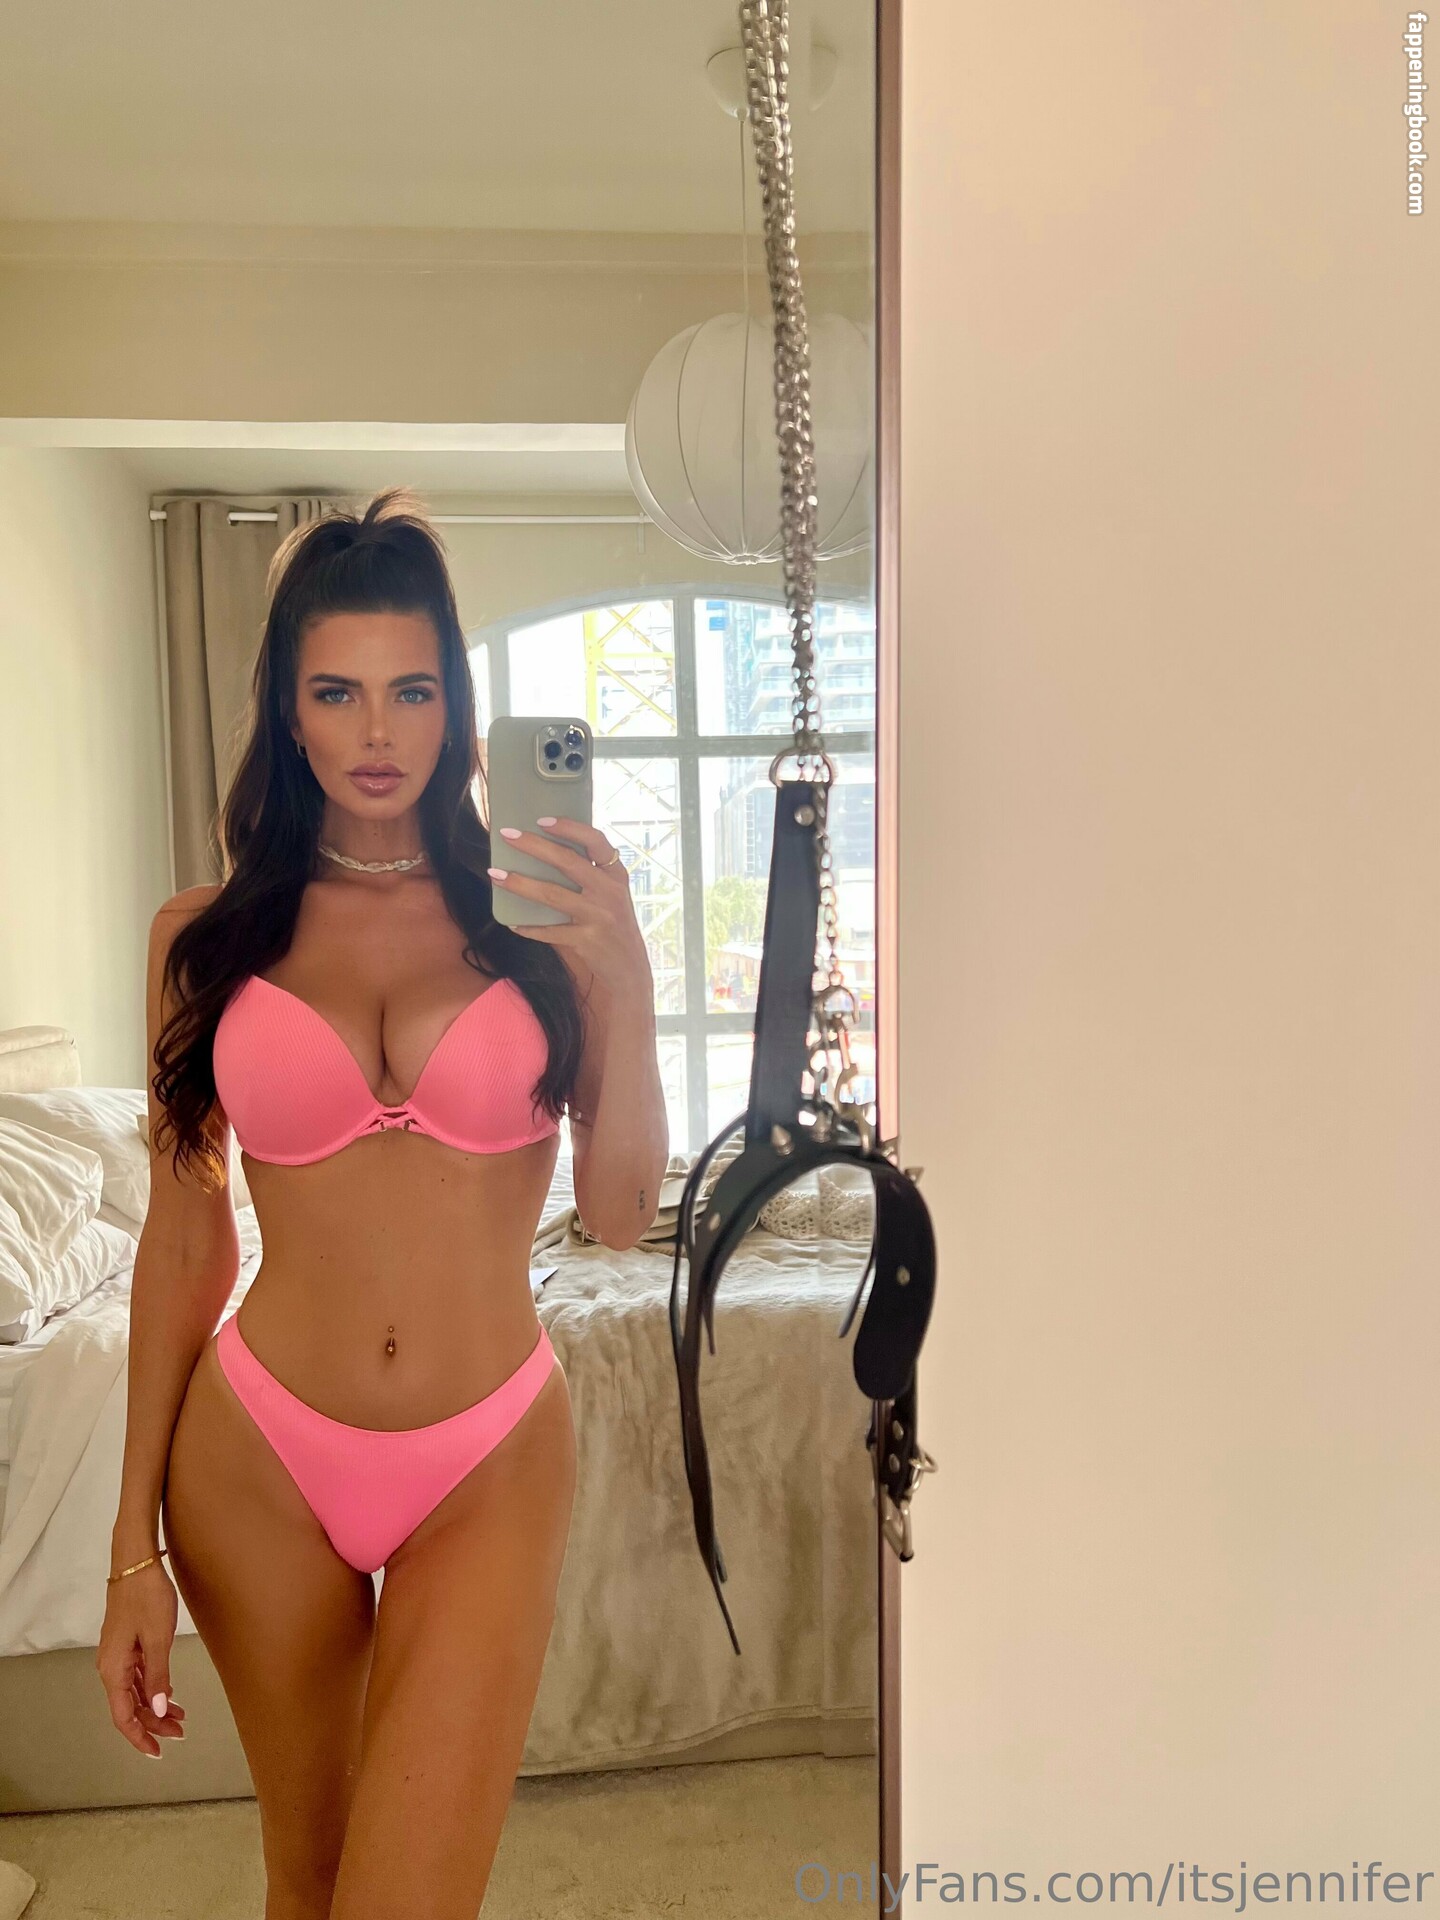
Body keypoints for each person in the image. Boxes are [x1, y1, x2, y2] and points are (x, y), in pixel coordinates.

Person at [96, 488, 669, 1919]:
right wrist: (129, 1549)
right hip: (256, 1461)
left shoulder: (542, 922)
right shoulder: (203, 939)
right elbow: (185, 1237)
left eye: (411, 689)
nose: (375, 731)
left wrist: (630, 987)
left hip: (488, 1457)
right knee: (307, 1883)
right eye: (335, 691)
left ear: (456, 707)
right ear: (287, 714)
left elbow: (617, 1214)